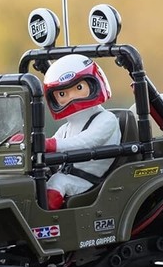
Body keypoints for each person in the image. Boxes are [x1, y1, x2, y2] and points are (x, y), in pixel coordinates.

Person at [42, 54, 120, 210]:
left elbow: (86, 142)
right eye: (62, 94)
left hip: (89, 181)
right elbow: (52, 146)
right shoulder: (67, 128)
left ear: (94, 84)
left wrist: (50, 144)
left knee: (57, 184)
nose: (72, 97)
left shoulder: (106, 119)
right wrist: (31, 145)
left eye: (79, 88)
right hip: (67, 174)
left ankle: (49, 219)